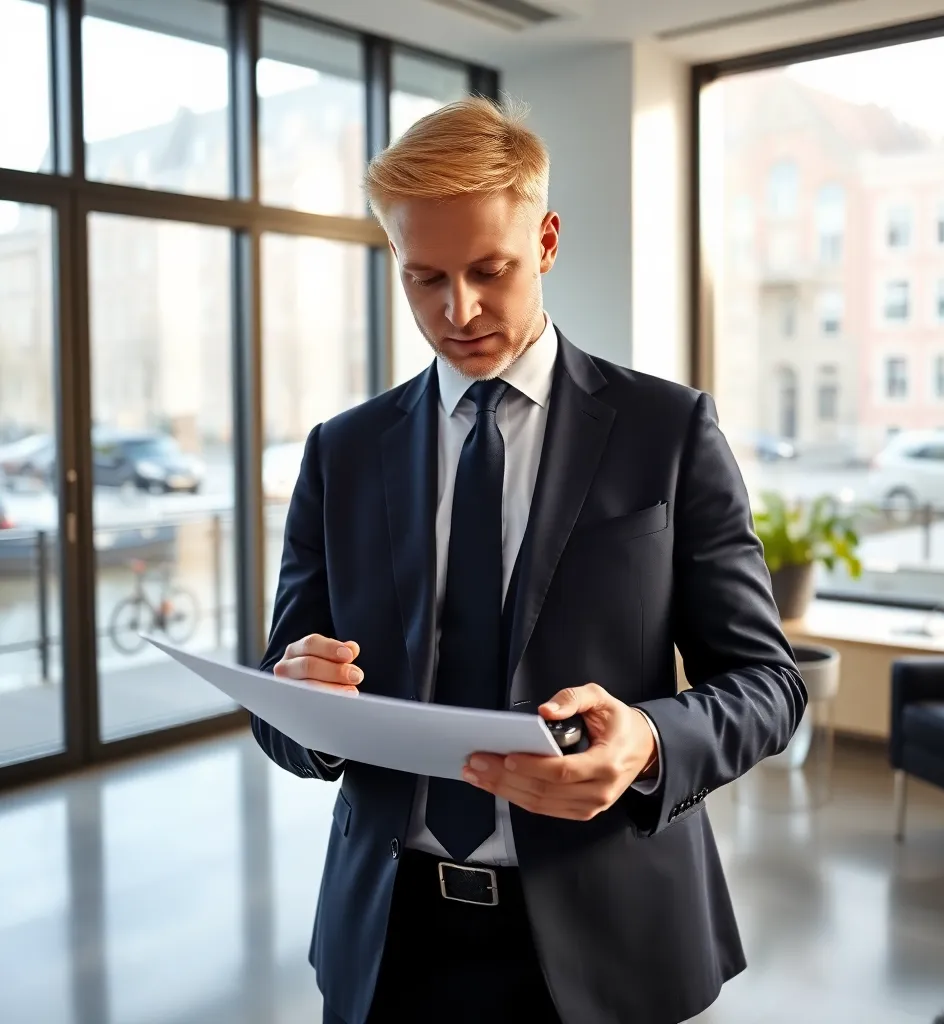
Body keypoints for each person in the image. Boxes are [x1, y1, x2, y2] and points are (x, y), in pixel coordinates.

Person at [251, 96, 805, 1024]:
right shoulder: (340, 451)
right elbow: (282, 701)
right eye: (424, 277)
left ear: (545, 242)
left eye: (489, 270)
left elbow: (768, 684)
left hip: (610, 937)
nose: (457, 310)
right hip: (388, 940)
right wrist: (303, 704)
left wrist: (649, 741)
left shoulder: (668, 431)